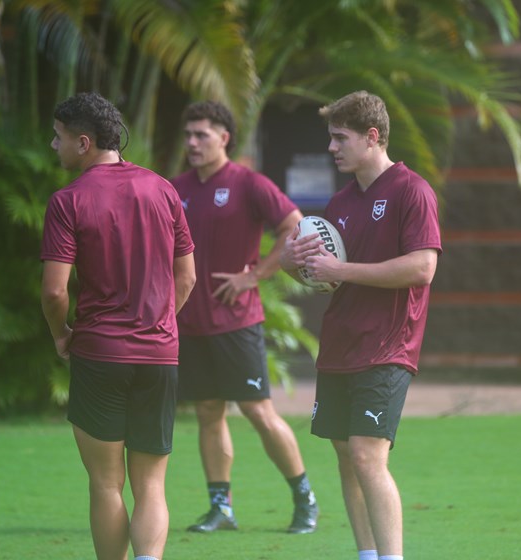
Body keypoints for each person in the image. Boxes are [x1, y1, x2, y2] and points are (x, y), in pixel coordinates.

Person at [280, 91, 441, 560]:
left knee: (369, 458)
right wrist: (294, 263)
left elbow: (422, 269)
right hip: (339, 347)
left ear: (372, 137)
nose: (332, 148)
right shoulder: (341, 202)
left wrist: (341, 271)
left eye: (340, 137)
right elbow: (323, 278)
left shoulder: (413, 190)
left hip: (387, 347)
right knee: (347, 460)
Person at [41, 92, 196, 560]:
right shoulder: (164, 189)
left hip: (99, 355)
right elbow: (186, 275)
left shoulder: (68, 200)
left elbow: (53, 292)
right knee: (151, 485)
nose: (54, 145)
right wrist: (162, 325)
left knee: (107, 484)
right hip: (159, 356)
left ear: (84, 142)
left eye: (59, 137)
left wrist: (60, 334)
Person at [171, 101, 319, 534]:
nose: (193, 143)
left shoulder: (248, 183)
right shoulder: (175, 187)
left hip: (237, 324)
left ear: (225, 138)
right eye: (188, 135)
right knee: (208, 413)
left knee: (258, 412)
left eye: (202, 134)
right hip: (191, 324)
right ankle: (221, 508)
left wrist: (253, 276)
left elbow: (296, 227)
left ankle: (304, 499)